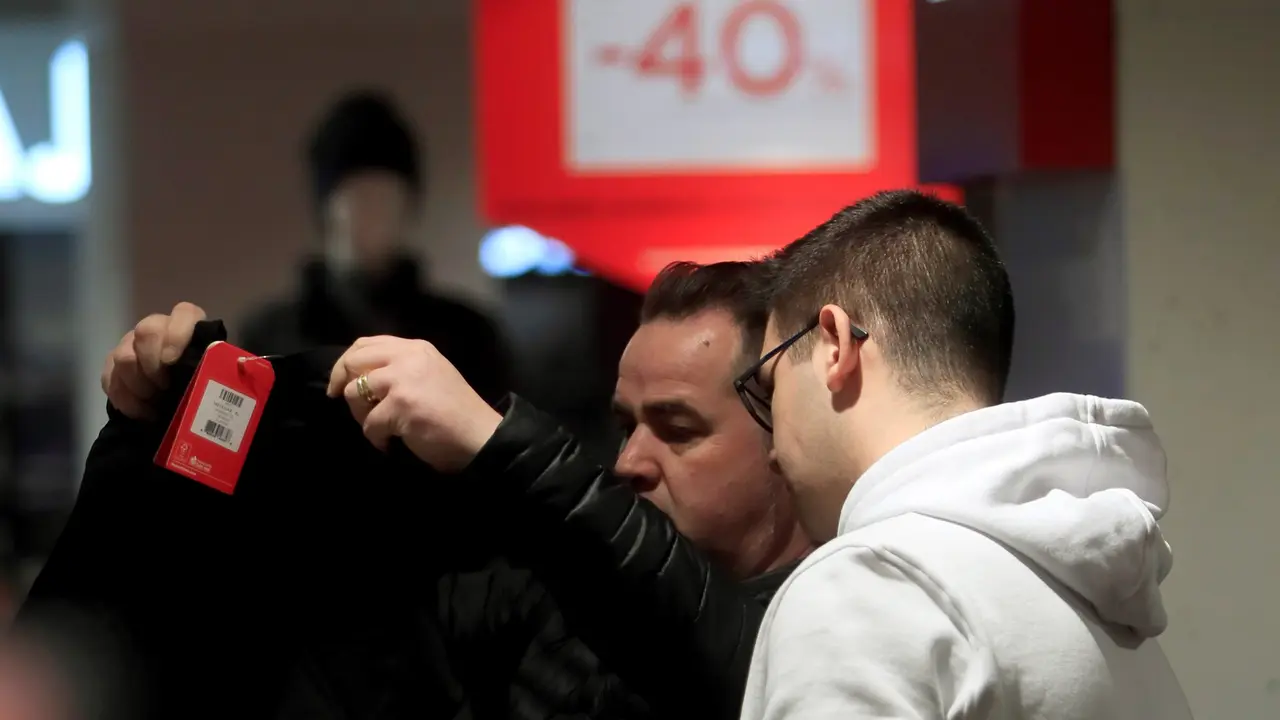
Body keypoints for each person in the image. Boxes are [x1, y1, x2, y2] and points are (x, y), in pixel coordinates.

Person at [95, 261, 811, 718]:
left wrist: (493, 442)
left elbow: (715, 654)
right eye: (625, 425)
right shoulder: (546, 597)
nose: (631, 461)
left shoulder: (836, 621)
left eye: (678, 429)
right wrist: (165, 431)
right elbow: (316, 628)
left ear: (786, 437)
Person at [730, 190, 1193, 718]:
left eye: (768, 386)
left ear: (835, 344)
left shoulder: (868, 587)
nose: (770, 449)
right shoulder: (1105, 610)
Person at [239, 88, 509, 402]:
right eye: (357, 195)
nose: (375, 213)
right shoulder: (270, 338)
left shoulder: (469, 336)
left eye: (388, 196)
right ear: (327, 207)